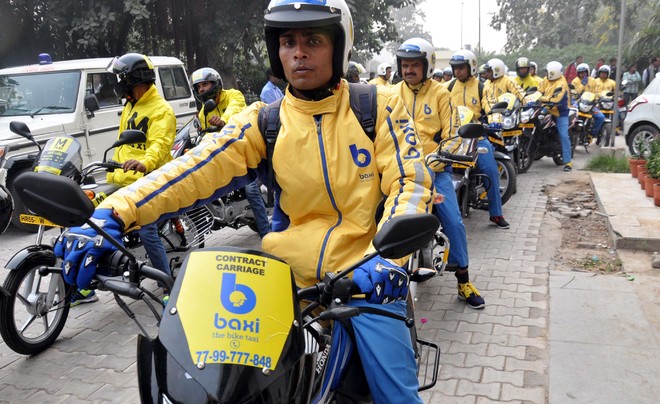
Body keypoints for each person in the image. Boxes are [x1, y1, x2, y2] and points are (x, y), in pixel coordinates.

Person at [54, 0, 431, 401]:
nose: (299, 52)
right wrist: (114, 211)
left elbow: (411, 183)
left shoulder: (378, 106)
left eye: (314, 40)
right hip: (285, 286)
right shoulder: (264, 121)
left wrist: (388, 260)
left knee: (397, 396)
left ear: (339, 46)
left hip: (366, 281)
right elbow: (192, 168)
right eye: (288, 41)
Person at [73, 53, 177, 306]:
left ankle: (168, 289)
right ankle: (86, 286)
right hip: (123, 178)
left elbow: (160, 144)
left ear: (134, 78)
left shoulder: (161, 110)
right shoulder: (131, 104)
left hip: (150, 180)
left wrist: (145, 162)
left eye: (120, 78)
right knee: (94, 223)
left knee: (147, 230)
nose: (117, 83)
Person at [393, 38, 485, 310]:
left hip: (434, 169)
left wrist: (438, 157)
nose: (409, 70)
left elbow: (454, 134)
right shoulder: (391, 92)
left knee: (454, 221)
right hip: (399, 170)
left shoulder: (442, 94)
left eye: (414, 65)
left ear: (428, 66)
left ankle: (464, 279)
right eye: (405, 65)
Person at [192, 67, 270, 238]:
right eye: (198, 87)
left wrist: (223, 122)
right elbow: (205, 134)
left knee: (250, 188)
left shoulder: (234, 95)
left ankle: (267, 233)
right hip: (228, 154)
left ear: (216, 83)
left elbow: (234, 111)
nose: (202, 89)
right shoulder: (205, 111)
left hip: (248, 150)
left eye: (205, 84)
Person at [447, 49, 511, 229]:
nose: (457, 71)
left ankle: (496, 214)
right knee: (439, 168)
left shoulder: (483, 87)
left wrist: (496, 120)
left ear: (471, 67)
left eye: (461, 67)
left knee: (490, 169)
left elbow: (491, 106)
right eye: (455, 68)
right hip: (454, 136)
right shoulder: (449, 87)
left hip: (477, 135)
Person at [539, 61, 572, 171]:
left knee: (563, 135)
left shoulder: (562, 83)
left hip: (560, 111)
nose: (546, 73)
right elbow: (539, 91)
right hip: (548, 107)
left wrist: (542, 99)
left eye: (548, 71)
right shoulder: (546, 80)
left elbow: (557, 99)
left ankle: (568, 162)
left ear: (553, 72)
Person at [571, 63, 605, 145]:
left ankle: (590, 135)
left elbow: (596, 92)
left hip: (590, 105)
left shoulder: (592, 80)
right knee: (570, 114)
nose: (582, 74)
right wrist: (582, 84)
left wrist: (597, 99)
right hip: (578, 103)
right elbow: (574, 93)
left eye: (584, 72)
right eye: (580, 72)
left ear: (587, 72)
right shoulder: (575, 81)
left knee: (601, 117)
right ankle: (571, 133)